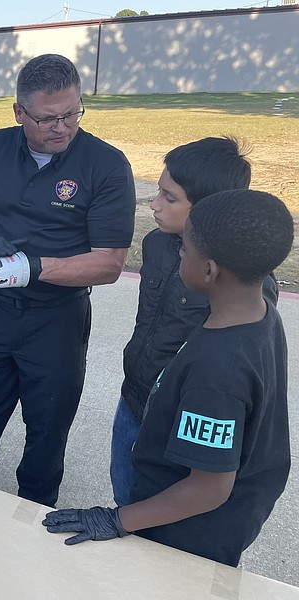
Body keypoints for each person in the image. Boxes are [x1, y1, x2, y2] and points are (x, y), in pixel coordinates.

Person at [43, 189, 293, 568]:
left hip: (186, 540)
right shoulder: (258, 313)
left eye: (184, 250)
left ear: (209, 270)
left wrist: (117, 519)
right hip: (207, 523)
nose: (178, 254)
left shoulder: (218, 371)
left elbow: (208, 489)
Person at [0, 54, 135, 507]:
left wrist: (30, 267)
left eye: (72, 113)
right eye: (48, 118)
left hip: (57, 323)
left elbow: (108, 264)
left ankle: (33, 526)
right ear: (19, 112)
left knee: (45, 441)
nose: (62, 127)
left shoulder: (105, 164)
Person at [110, 136, 279, 507]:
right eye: (158, 192)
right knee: (126, 496)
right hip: (134, 399)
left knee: (162, 524)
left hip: (181, 422)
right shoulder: (156, 244)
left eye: (169, 198)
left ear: (208, 209)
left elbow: (233, 363)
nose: (154, 205)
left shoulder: (240, 284)